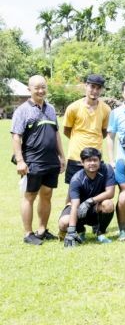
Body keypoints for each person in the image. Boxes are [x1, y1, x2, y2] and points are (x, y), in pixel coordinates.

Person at [11, 75, 66, 245]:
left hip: (51, 161)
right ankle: (28, 234)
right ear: (29, 89)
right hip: (33, 161)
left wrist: (61, 156)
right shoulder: (22, 110)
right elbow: (16, 137)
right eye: (37, 88)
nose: (41, 90)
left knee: (47, 195)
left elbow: (56, 133)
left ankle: (42, 230)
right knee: (30, 196)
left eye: (43, 87)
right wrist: (20, 161)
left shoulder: (50, 108)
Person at [58, 147, 116, 246]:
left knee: (108, 204)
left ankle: (100, 233)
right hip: (78, 209)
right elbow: (75, 204)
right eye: (88, 160)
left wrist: (89, 201)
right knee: (63, 223)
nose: (92, 163)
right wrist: (71, 230)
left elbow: (110, 193)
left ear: (100, 161)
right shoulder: (76, 179)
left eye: (95, 160)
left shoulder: (106, 169)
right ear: (82, 162)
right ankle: (80, 231)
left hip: (95, 208)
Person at [62, 73, 110, 183]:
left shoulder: (106, 109)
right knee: (73, 194)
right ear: (86, 86)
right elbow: (66, 130)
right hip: (76, 157)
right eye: (92, 86)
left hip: (96, 158)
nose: (95, 91)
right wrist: (80, 140)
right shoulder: (73, 107)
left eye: (98, 88)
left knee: (97, 192)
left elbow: (104, 131)